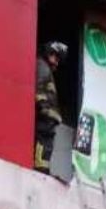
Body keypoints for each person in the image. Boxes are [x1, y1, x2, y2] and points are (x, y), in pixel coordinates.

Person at [35, 41, 67, 174]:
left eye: (58, 59)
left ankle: (42, 168)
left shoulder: (46, 69)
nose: (56, 62)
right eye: (55, 57)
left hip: (48, 121)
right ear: (48, 53)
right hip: (45, 121)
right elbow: (38, 88)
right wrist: (44, 108)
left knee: (46, 147)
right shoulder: (42, 66)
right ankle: (40, 169)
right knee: (43, 146)